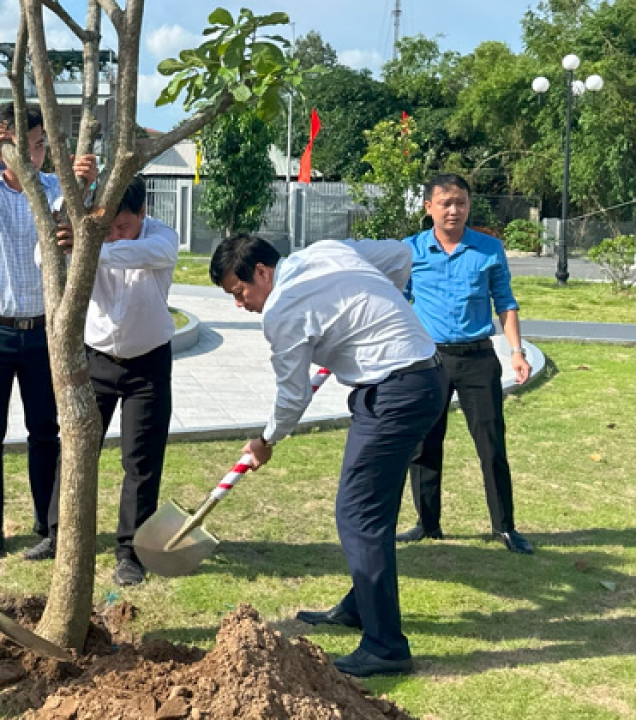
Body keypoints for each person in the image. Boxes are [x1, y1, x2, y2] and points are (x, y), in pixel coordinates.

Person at [210, 234, 445, 678]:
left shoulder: (282, 309)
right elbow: (399, 255)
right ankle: (362, 607)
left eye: (239, 293)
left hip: (393, 393)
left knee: (357, 515)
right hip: (423, 379)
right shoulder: (325, 251)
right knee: (376, 507)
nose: (240, 304)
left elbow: (293, 394)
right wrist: (369, 315)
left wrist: (266, 440)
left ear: (261, 272)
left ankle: (386, 646)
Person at [24, 176, 179, 587]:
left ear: (142, 214)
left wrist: (94, 248)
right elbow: (44, 255)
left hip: (148, 364)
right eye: (107, 225)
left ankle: (130, 552)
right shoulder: (86, 233)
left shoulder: (160, 236)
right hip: (94, 360)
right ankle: (60, 535)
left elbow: (151, 252)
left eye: (123, 226)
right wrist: (75, 218)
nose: (113, 233)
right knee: (76, 447)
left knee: (141, 461)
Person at [0, 103, 97, 564]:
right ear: (6, 143)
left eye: (41, 145)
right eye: (29, 145)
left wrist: (85, 185)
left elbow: (76, 224)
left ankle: (46, 521)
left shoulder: (56, 190)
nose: (37, 154)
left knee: (45, 431)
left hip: (44, 333)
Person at [397, 174, 534, 555]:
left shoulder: (489, 249)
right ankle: (427, 524)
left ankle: (504, 527)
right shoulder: (412, 251)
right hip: (429, 361)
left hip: (477, 359)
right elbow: (396, 301)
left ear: (469, 205)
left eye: (460, 202)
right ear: (429, 208)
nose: (454, 210)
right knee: (424, 445)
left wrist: (517, 353)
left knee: (491, 445)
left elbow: (504, 303)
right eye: (445, 203)